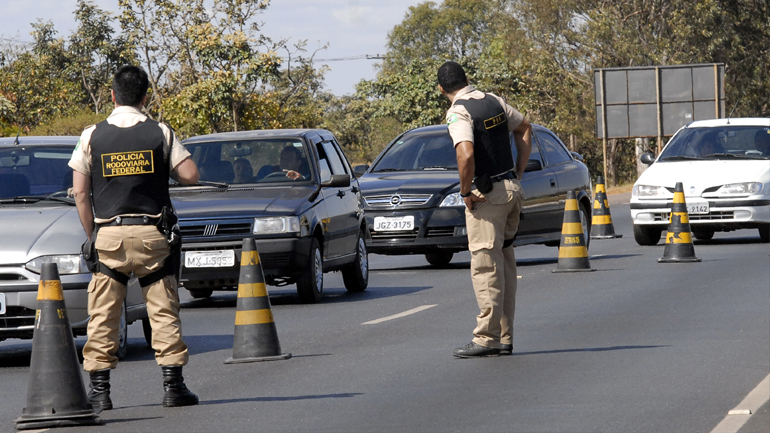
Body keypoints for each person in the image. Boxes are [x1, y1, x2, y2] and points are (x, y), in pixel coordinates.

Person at [69, 65, 200, 411]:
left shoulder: (91, 135)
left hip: (108, 236)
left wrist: (92, 236)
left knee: (103, 315)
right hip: (151, 235)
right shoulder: (160, 132)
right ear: (145, 98)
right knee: (163, 310)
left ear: (112, 96)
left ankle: (100, 392)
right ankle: (174, 387)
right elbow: (190, 175)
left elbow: (81, 194)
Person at [438, 61, 532, 358]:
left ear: (441, 89)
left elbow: (465, 154)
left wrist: (465, 192)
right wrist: (518, 172)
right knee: (503, 263)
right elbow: (525, 128)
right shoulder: (494, 101)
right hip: (511, 190)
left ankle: (486, 338)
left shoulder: (459, 111)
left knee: (485, 266)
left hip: (487, 197)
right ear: (466, 80)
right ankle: (504, 336)